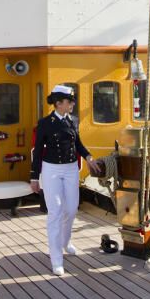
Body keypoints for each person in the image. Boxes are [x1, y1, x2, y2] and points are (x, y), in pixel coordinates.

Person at [30, 85, 101, 276]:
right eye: (70, 101)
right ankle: (56, 259)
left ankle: (65, 241)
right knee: (55, 212)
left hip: (71, 169)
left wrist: (88, 157)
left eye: (72, 101)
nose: (72, 104)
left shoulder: (73, 121)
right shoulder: (45, 123)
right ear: (58, 103)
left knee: (71, 209)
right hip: (51, 169)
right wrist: (34, 177)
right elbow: (37, 152)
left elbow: (77, 143)